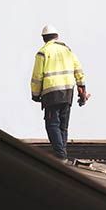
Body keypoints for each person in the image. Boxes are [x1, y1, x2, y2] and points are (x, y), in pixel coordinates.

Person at [30, 24, 89, 162]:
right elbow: (78, 70)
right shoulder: (67, 50)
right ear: (57, 37)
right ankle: (63, 154)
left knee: (52, 124)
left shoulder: (43, 52)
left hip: (51, 93)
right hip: (68, 91)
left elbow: (37, 77)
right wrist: (82, 89)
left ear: (44, 38)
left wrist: (35, 94)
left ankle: (61, 156)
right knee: (63, 125)